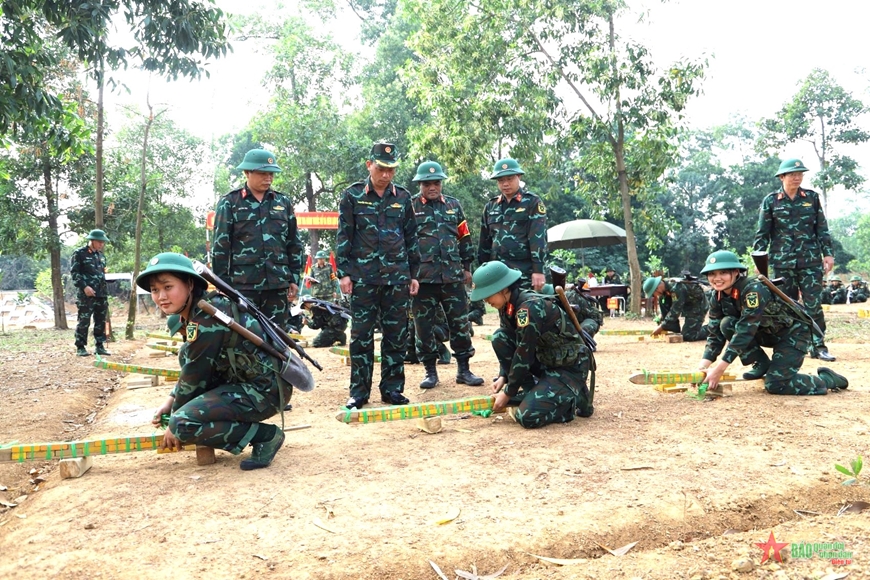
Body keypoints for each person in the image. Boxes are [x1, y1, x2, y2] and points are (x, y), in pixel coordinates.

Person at [137, 253, 297, 470]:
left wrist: (175, 420)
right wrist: (171, 400)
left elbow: (195, 377)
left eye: (168, 287)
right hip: (249, 384)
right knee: (185, 353)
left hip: (265, 392)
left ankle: (265, 436)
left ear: (190, 284)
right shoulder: (201, 312)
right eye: (155, 290)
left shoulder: (207, 318)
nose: (161, 296)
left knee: (183, 424)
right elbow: (192, 366)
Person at [336, 142, 420, 410]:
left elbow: (411, 238)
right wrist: (344, 273)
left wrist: (413, 274)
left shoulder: (403, 197)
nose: (386, 174)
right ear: (369, 165)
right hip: (363, 278)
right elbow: (344, 236)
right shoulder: (352, 196)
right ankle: (358, 393)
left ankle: (392, 389)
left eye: (391, 169)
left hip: (397, 277)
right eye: (382, 168)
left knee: (396, 335)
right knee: (361, 337)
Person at [698, 250, 847, 394]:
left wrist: (719, 369)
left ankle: (827, 380)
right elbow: (715, 333)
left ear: (736, 272)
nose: (717, 278)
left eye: (723, 272)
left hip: (793, 333)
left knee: (776, 384)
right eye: (712, 273)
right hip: (768, 331)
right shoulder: (717, 296)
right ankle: (761, 363)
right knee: (727, 323)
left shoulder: (752, 290)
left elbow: (745, 330)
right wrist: (702, 367)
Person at [470, 261, 593, 428]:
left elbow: (523, 353)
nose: (486, 301)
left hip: (568, 366)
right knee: (499, 337)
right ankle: (532, 391)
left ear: (502, 289)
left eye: (488, 295)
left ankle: (569, 403)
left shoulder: (528, 309)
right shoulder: (508, 305)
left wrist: (508, 392)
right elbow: (510, 338)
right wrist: (503, 376)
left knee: (527, 417)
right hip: (546, 359)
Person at [410, 161, 484, 389]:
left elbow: (464, 237)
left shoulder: (454, 205)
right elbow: (404, 241)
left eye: (436, 183)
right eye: (427, 183)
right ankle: (430, 372)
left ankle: (464, 370)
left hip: (452, 276)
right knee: (423, 326)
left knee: (460, 324)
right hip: (423, 279)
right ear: (420, 184)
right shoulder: (410, 206)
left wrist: (467, 266)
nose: (433, 187)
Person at [753, 158, 836, 362]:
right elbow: (762, 233)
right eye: (792, 174)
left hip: (810, 261)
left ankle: (818, 346)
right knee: (786, 306)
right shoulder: (771, 201)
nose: (797, 177)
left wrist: (828, 253)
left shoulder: (812, 198)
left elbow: (821, 229)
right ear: (782, 177)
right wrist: (759, 262)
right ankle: (791, 346)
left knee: (813, 305)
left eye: (800, 174)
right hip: (782, 263)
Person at [212, 148, 303, 331]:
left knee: (278, 339)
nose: (268, 178)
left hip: (277, 286)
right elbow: (221, 247)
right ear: (247, 173)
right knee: (245, 338)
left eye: (271, 174)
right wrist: (224, 287)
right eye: (262, 173)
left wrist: (294, 279)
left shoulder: (283, 202)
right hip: (244, 287)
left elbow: (294, 244)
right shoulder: (230, 202)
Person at [477, 158, 548, 291]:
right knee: (504, 311)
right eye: (501, 180)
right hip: (498, 273)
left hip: (524, 272)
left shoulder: (532, 202)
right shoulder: (491, 206)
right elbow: (484, 243)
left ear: (519, 177)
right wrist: (483, 270)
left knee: (525, 309)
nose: (505, 184)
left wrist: (538, 270)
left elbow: (538, 239)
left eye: (509, 179)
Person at [70, 229, 112, 357]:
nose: (101, 244)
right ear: (92, 241)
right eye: (99, 242)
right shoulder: (79, 254)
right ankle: (80, 346)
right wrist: (84, 287)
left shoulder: (101, 256)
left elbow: (102, 273)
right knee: (84, 320)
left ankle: (99, 345)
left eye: (103, 242)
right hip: (86, 294)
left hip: (101, 293)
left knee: (100, 320)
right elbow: (75, 273)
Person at [643, 274, 708, 341]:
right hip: (687, 305)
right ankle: (672, 327)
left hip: (698, 306)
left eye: (654, 294)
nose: (655, 296)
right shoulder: (666, 287)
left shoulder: (676, 288)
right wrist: (662, 317)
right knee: (662, 299)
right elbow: (669, 305)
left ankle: (714, 328)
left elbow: (675, 310)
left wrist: (662, 327)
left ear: (657, 288)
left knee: (688, 335)